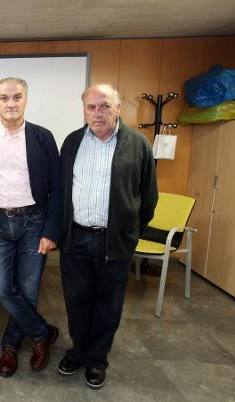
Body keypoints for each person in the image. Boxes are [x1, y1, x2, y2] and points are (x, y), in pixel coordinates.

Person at [58, 83, 158, 389]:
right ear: (84, 110)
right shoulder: (73, 141)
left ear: (117, 109)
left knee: (108, 305)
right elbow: (62, 190)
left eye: (104, 106)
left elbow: (148, 197)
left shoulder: (138, 144)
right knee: (76, 301)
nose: (97, 113)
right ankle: (78, 350)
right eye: (91, 107)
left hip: (113, 241)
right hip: (76, 239)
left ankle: (97, 360)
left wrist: (129, 235)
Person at [0, 77, 62, 378]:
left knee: (28, 291)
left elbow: (57, 188)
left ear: (26, 99)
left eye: (17, 97)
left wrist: (51, 231)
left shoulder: (43, 137)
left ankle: (10, 346)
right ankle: (42, 332)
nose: (11, 103)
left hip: (34, 223)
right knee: (3, 288)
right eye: (4, 98)